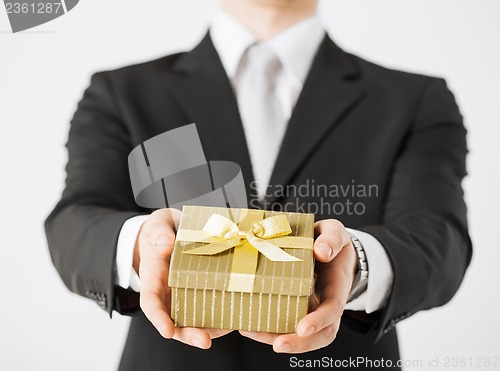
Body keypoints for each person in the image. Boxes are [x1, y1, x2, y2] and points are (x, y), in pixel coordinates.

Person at [45, 0, 472, 370]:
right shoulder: (122, 92)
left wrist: (355, 264)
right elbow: (76, 221)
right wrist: (144, 245)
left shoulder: (414, 99)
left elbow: (439, 240)